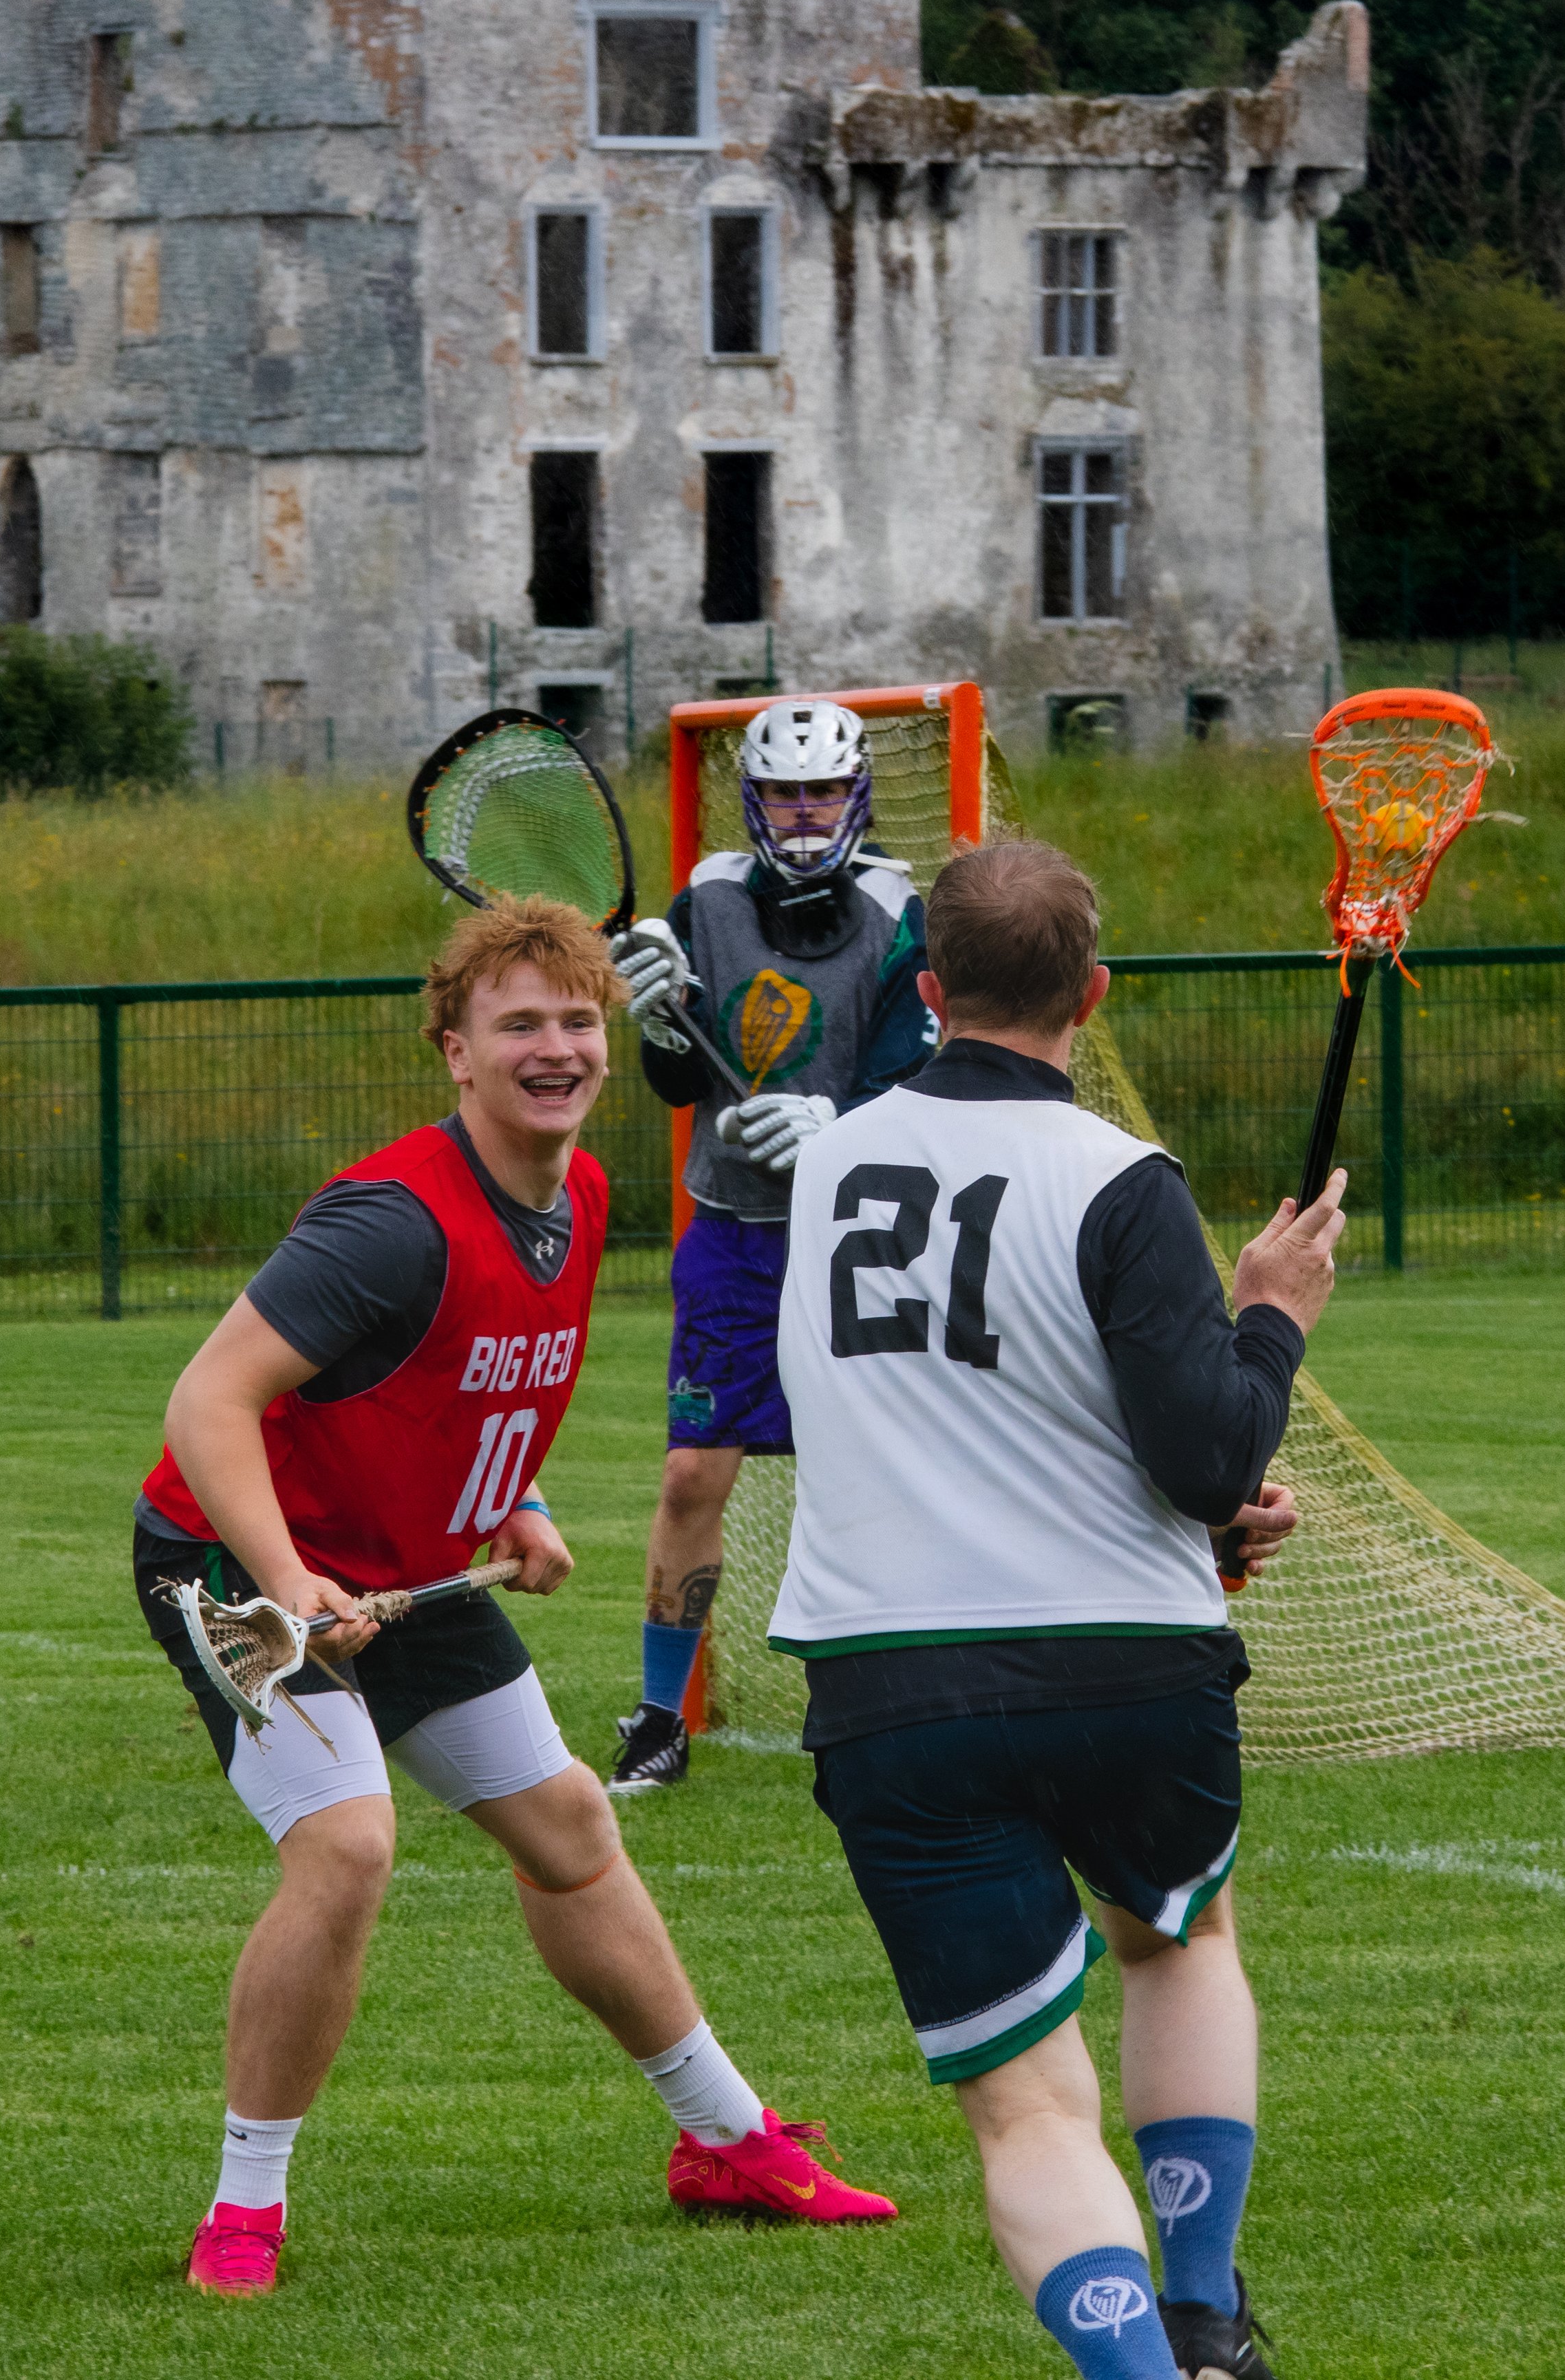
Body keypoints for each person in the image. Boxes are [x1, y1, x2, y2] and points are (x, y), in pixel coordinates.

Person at [134, 896, 895, 2297]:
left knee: (568, 1826)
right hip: (234, 1567)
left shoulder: (584, 1195)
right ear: (455, 1053)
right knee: (349, 1848)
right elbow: (207, 1403)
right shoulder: (385, 1220)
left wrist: (516, 1503)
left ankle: (723, 2137)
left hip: (404, 1570)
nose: (554, 1047)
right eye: (518, 1024)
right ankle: (245, 2207)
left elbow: (455, 1382)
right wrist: (294, 1578)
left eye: (576, 1020)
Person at [768, 838, 1347, 2380]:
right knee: (1176, 1939)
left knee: (1025, 2110)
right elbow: (1203, 1451)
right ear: (1091, 991)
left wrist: (1200, 1500)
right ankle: (1206, 2310)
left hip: (887, 1682)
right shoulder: (1115, 1175)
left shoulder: (819, 1164)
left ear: (925, 990)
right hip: (1125, 1667)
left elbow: (922, 1414)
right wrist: (1270, 1320)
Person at [604, 698, 933, 1792]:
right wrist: (656, 1022)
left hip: (858, 1240)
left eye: (823, 791)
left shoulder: (902, 909)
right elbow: (674, 1077)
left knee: (876, 1475)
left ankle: (883, 1699)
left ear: (857, 794)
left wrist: (839, 1127)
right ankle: (660, 1716)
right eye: (786, 792)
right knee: (695, 1471)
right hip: (736, 1235)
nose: (804, 813)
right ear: (753, 796)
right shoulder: (704, 895)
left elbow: (919, 1074)